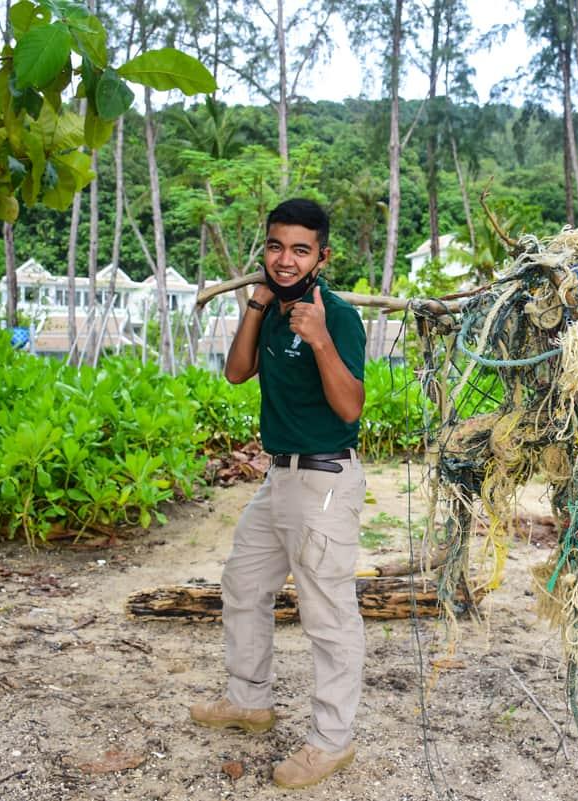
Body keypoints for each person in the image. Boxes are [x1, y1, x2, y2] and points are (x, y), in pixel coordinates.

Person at [189, 198, 368, 790]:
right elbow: (237, 372)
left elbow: (350, 408)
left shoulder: (335, 316)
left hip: (324, 479)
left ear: (322, 256)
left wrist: (318, 339)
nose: (284, 259)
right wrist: (257, 304)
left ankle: (330, 742)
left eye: (299, 249)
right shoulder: (269, 307)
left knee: (327, 614)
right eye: (274, 246)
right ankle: (249, 700)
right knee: (243, 584)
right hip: (278, 477)